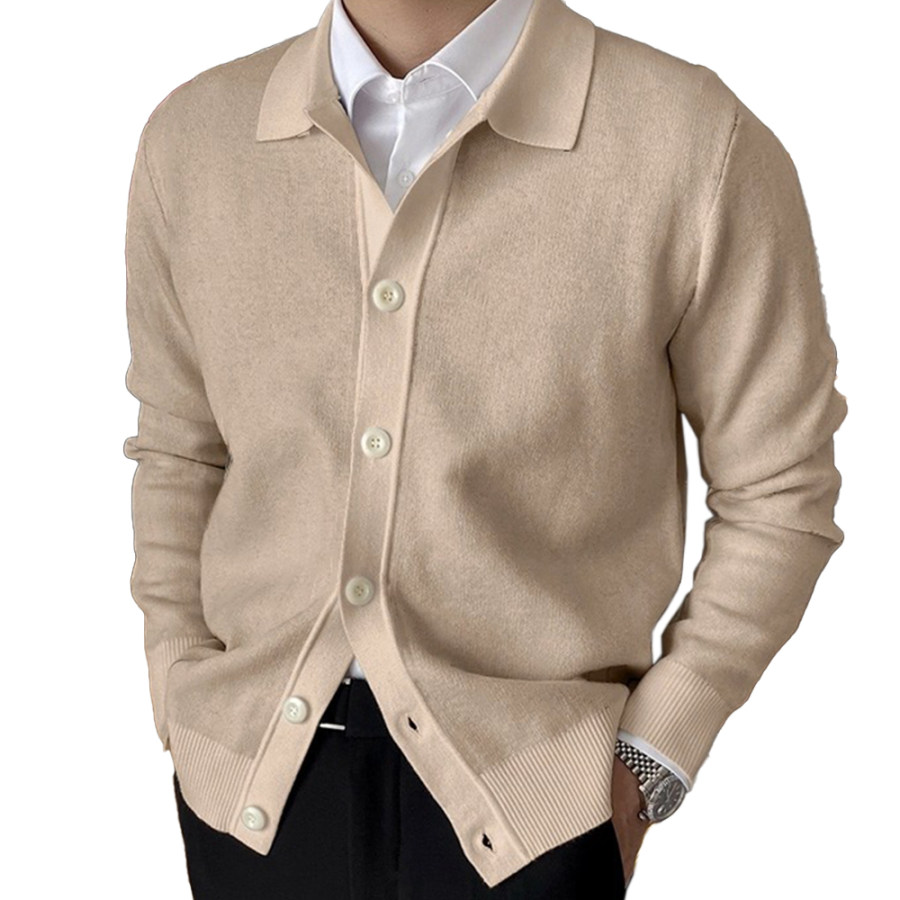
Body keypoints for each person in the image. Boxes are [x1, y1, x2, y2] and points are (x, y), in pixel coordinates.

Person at [122, 0, 847, 897]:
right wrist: (179, 687)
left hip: (542, 801)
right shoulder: (195, 140)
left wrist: (656, 751)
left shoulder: (691, 141)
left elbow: (780, 489)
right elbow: (180, 454)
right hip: (248, 791)